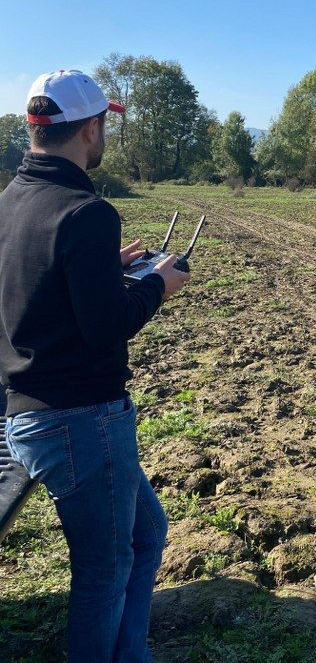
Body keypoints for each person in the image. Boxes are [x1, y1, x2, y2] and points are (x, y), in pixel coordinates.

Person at [0, 70, 190, 662]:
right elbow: (106, 326)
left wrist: (101, 268)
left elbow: (32, 281)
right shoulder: (87, 210)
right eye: (104, 123)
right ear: (90, 128)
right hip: (81, 420)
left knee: (145, 532)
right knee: (103, 573)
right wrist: (158, 284)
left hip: (23, 412)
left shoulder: (10, 202)